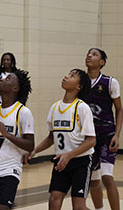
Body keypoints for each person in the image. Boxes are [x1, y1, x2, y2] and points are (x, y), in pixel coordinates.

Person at [26, 69, 95, 210]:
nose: (66, 76)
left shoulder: (82, 108)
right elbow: (51, 138)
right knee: (54, 200)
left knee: (79, 207)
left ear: (79, 87)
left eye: (72, 76)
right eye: (68, 74)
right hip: (60, 162)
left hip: (80, 161)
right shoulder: (55, 107)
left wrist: (69, 155)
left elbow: (91, 141)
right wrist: (35, 150)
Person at [0, 69, 34, 210]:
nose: (2, 79)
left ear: (15, 88)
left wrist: (7, 134)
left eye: (7, 79)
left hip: (9, 170)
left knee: (2, 207)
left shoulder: (23, 112)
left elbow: (30, 145)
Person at [85, 48, 123, 210]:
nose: (89, 56)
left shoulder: (110, 82)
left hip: (107, 136)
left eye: (94, 54)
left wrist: (117, 135)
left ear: (102, 62)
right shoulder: (80, 82)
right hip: (88, 138)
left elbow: (119, 110)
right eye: (88, 53)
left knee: (107, 177)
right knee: (94, 180)